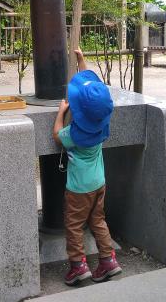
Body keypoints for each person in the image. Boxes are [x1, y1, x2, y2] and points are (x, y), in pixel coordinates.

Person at [53, 49, 122, 285]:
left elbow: (56, 135)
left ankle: (78, 266)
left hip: (78, 189)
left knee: (74, 225)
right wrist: (81, 60)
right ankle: (108, 260)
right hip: (99, 183)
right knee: (98, 220)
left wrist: (60, 113)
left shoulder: (73, 134)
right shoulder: (102, 124)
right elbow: (91, 89)